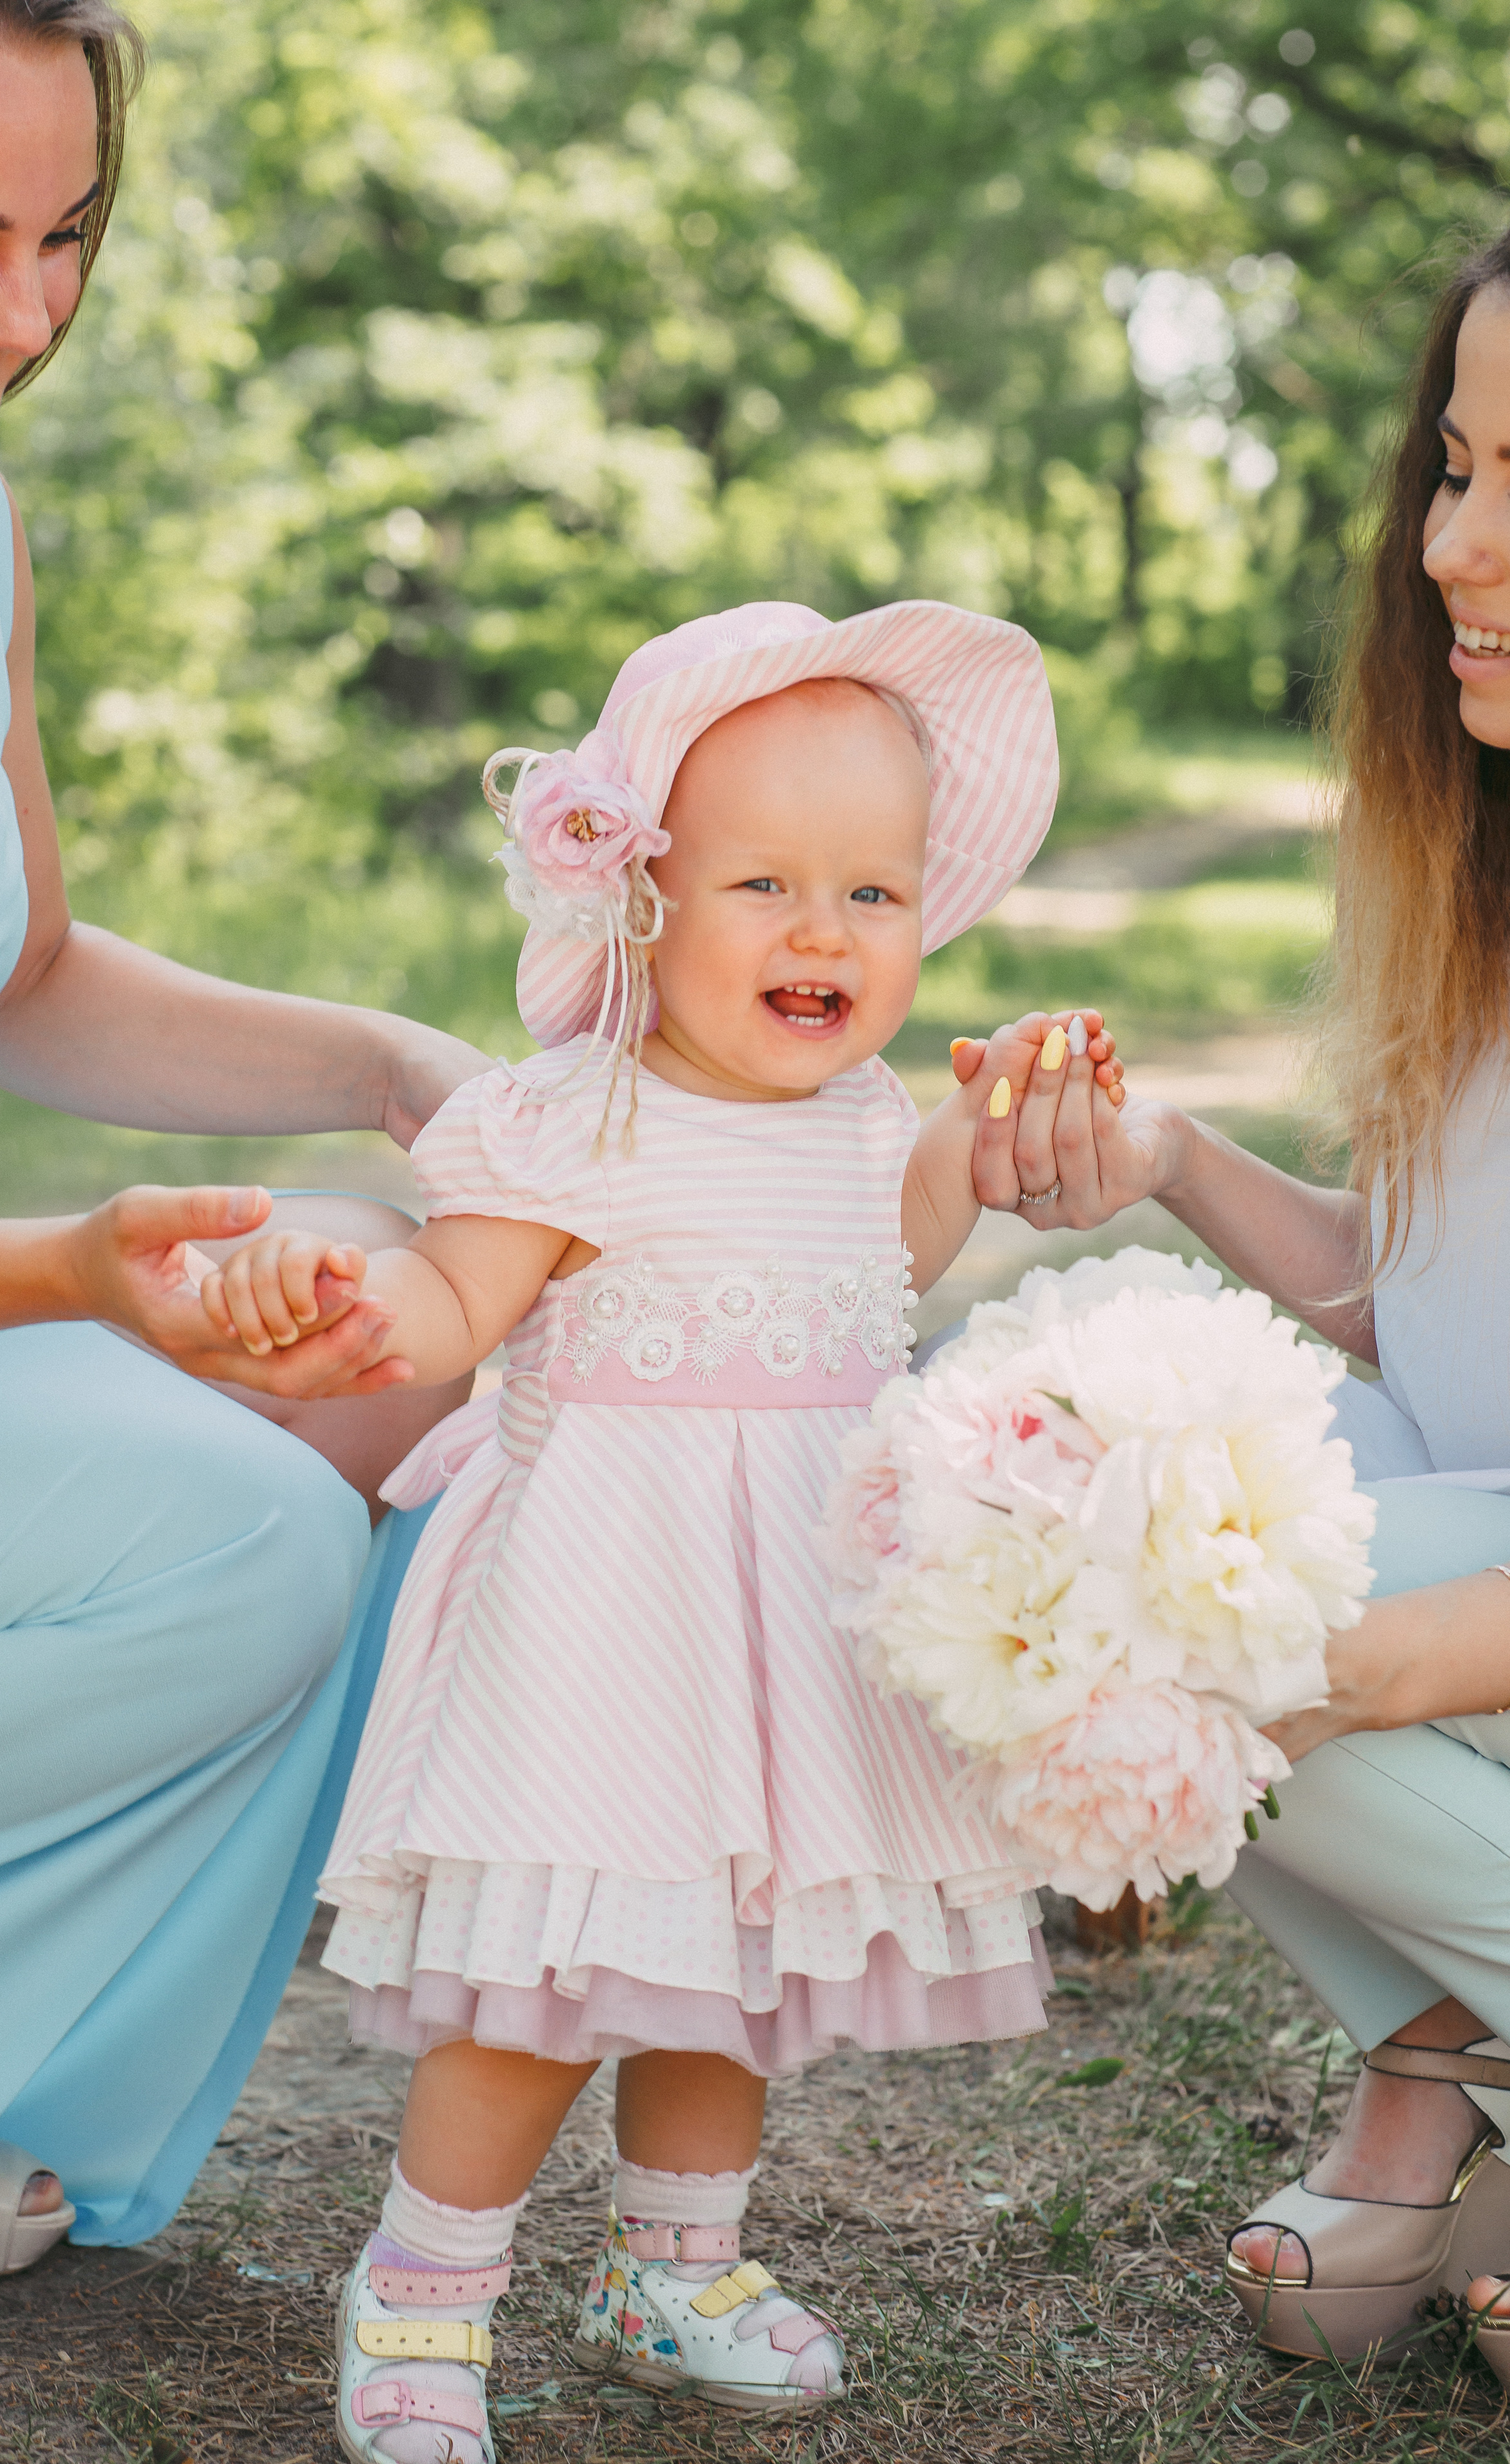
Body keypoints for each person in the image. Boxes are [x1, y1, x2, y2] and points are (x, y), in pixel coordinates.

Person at [199, 599, 1126, 2460]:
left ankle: (674, 2267)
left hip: (787, 1626)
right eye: (765, 883)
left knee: (727, 1970)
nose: (821, 932)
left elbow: (894, 1254)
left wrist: (994, 1120)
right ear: (641, 896)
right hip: (598, 1622)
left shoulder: (862, 1121)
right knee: (542, 1987)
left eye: (873, 893)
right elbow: (458, 1307)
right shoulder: (570, 1120)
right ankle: (426, 2288)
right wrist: (366, 1307)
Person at [0, 0, 481, 2278]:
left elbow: (14, 971)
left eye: (65, 236)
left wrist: (400, 1071)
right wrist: (70, 1273)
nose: (19, 317)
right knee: (252, 1541)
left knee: (398, 1344)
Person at [954, 227, 1510, 2381]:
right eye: (1453, 468)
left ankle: (1445, 2067)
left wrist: (1302, 1671)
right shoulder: (1483, 869)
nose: (1452, 547)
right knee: (1051, 1478)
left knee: (1164, 1607)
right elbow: (1426, 1305)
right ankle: (1449, 2051)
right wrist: (1174, 1162)